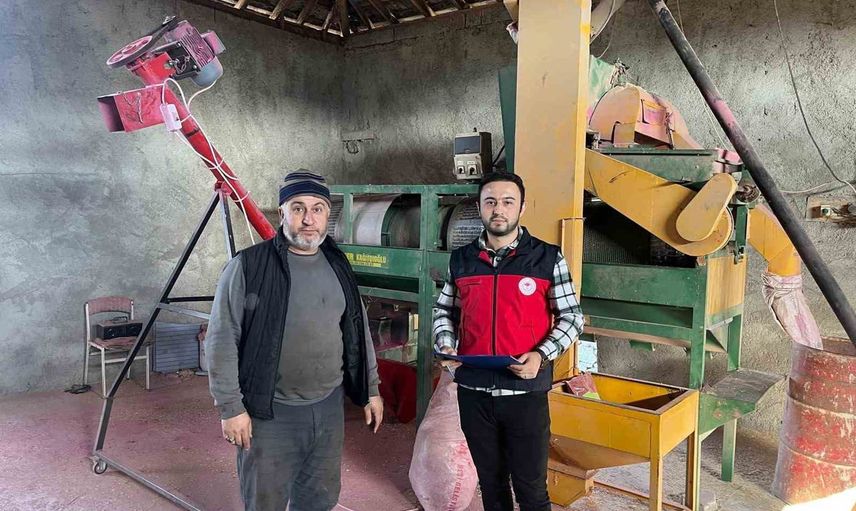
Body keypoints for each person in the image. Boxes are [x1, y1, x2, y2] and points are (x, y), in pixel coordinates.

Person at [205, 169, 383, 511]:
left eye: (318, 209)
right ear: (282, 212)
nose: (308, 219)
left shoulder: (337, 264)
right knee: (265, 502)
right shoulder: (248, 267)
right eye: (298, 208)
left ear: (328, 215)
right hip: (269, 411)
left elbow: (357, 329)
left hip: (328, 407)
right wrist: (231, 408)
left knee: (319, 499)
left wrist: (371, 387)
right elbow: (222, 339)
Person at [432, 172, 584, 511]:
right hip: (474, 392)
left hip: (524, 395)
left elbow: (572, 317)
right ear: (479, 208)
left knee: (532, 491)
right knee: (491, 485)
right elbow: (444, 310)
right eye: (490, 202)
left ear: (521, 208)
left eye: (507, 202)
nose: (498, 209)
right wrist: (446, 344)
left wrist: (541, 355)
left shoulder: (547, 258)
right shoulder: (461, 259)